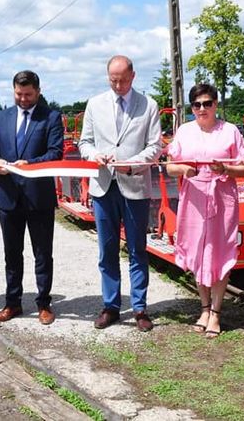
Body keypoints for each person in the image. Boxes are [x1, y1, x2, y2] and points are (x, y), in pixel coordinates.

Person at [78, 55, 163, 332]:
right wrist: (94, 155)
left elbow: (155, 147)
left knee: (138, 249)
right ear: (107, 77)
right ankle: (111, 305)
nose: (118, 85)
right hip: (103, 187)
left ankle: (140, 308)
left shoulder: (148, 105)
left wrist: (133, 164)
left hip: (135, 185)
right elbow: (85, 142)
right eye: (113, 80)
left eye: (123, 80)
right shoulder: (94, 104)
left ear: (133, 76)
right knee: (107, 250)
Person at [166, 84, 244, 338]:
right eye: (196, 105)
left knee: (219, 251)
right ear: (191, 108)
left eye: (207, 103)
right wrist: (184, 170)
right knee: (196, 251)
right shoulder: (184, 131)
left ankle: (216, 313)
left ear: (215, 104)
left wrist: (224, 169)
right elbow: (170, 167)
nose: (202, 109)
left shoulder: (230, 131)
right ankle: (203, 308)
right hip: (193, 197)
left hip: (221, 196)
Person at [0, 71, 64, 325]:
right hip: (9, 197)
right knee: (12, 254)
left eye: (28, 95)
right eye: (19, 94)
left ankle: (43, 303)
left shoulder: (50, 117)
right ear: (13, 91)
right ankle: (12, 303)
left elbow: (55, 152)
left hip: (38, 197)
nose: (24, 99)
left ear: (38, 91)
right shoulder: (1, 117)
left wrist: (29, 164)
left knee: (42, 253)